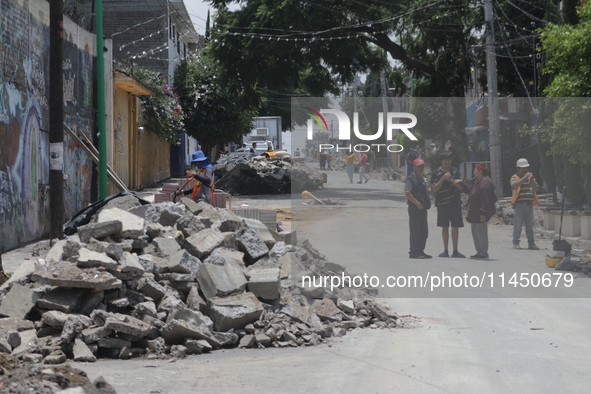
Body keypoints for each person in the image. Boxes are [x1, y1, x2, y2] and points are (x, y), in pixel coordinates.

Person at [430, 151, 465, 258]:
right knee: (444, 227)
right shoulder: (436, 173)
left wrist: (451, 179)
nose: (447, 162)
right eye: (445, 160)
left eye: (449, 160)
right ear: (441, 161)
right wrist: (443, 178)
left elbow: (461, 187)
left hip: (455, 202)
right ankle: (445, 250)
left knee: (455, 226)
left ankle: (455, 250)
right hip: (442, 203)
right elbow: (434, 189)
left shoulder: (455, 171)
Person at [461, 163, 497, 259]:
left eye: (475, 170)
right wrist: (462, 183)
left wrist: (483, 212)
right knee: (476, 233)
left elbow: (485, 200)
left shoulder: (485, 183)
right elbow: (471, 190)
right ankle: (479, 252)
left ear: (480, 171)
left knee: (481, 234)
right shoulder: (478, 181)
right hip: (474, 213)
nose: (474, 172)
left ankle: (483, 253)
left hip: (480, 213)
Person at [510, 158, 540, 250]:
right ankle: (516, 242)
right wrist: (524, 178)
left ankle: (531, 243)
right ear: (518, 169)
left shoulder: (531, 178)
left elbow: (536, 189)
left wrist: (532, 183)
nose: (525, 170)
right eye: (522, 168)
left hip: (529, 205)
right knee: (518, 225)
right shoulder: (515, 177)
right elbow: (514, 185)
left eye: (526, 168)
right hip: (519, 205)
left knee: (530, 226)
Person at [405, 158, 432, 259]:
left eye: (422, 167)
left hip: (422, 208)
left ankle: (421, 250)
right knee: (416, 231)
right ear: (414, 167)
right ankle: (414, 252)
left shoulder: (421, 178)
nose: (421, 169)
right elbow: (407, 192)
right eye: (419, 167)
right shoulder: (411, 179)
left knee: (423, 231)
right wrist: (416, 203)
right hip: (414, 208)